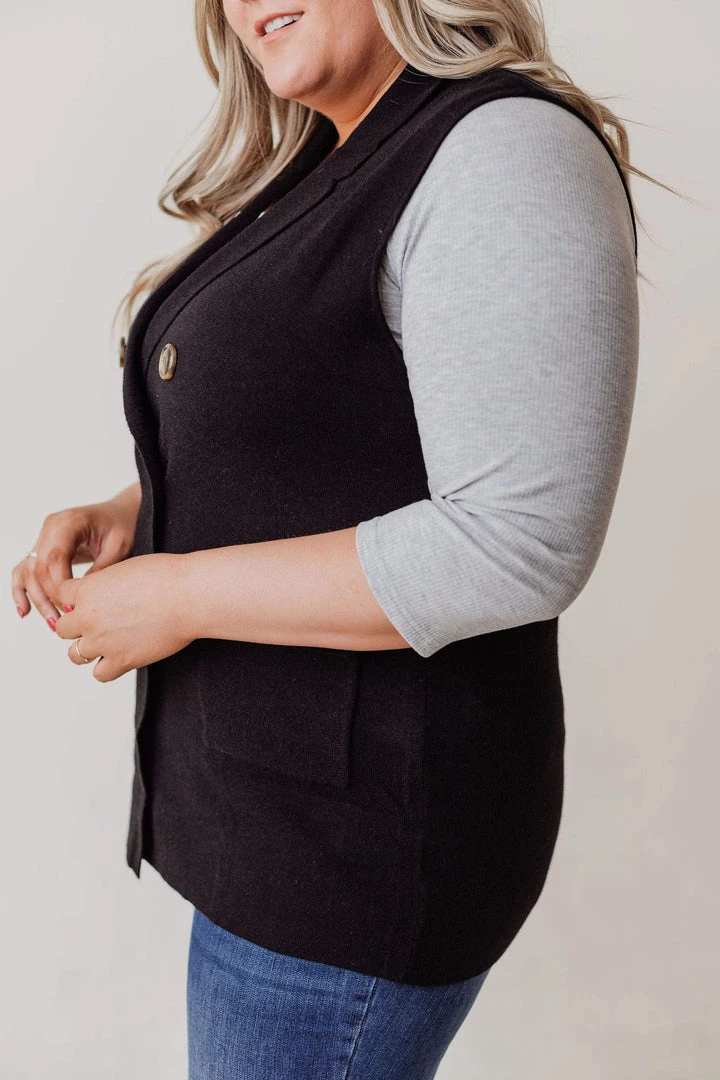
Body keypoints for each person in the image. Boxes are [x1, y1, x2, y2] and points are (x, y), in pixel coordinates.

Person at [11, 1, 660, 1076]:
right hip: (279, 840)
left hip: (354, 864)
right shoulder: (334, 156)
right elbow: (332, 433)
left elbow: (519, 539)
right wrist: (143, 507)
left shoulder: (503, 152)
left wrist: (178, 595)